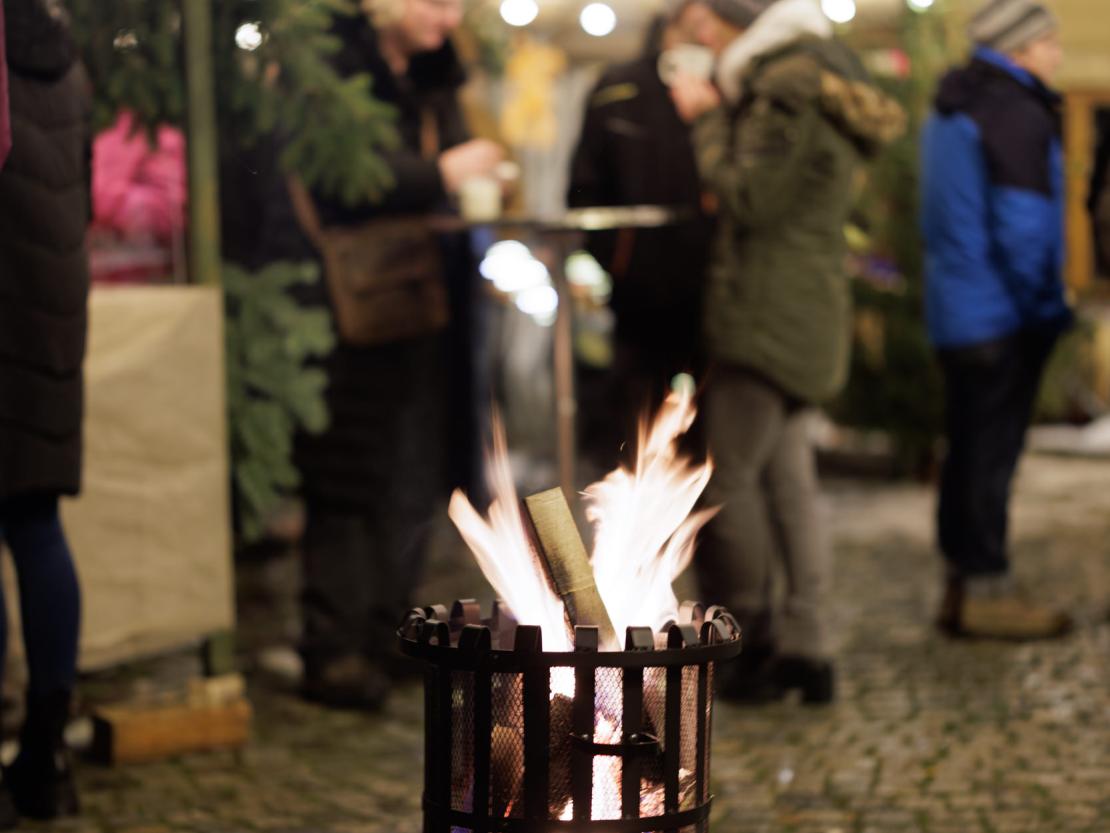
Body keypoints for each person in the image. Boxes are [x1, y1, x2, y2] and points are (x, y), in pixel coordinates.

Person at [243, 0, 504, 710]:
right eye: (434, 2)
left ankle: (389, 635)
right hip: (337, 309)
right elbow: (336, 181)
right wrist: (443, 172)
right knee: (347, 479)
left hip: (420, 305)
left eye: (456, 8)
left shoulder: (431, 73)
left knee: (411, 475)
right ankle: (332, 650)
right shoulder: (320, 64)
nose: (447, 20)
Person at [671, 0, 903, 703]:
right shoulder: (822, 73)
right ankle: (808, 646)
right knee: (788, 476)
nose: (702, 41)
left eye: (707, 27)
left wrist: (705, 119)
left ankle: (750, 640)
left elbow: (750, 197)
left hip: (767, 309)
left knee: (731, 476)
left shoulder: (783, 85)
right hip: (805, 306)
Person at [921, 0, 1073, 640]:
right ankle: (987, 590)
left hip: (958, 309)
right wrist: (1047, 307)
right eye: (1048, 41)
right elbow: (1025, 228)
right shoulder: (1011, 108)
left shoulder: (956, 104)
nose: (1057, 52)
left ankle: (962, 586)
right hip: (1001, 315)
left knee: (967, 453)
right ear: (1020, 48)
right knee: (990, 459)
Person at [0, 0, 89, 822]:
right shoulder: (62, 55)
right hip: (51, 321)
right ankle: (48, 753)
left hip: (3, 311)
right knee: (35, 523)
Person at [567, 6, 714, 461]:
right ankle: (633, 524)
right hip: (639, 296)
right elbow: (583, 190)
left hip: (715, 294)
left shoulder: (729, 89)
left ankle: (699, 530)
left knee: (706, 436)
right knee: (635, 425)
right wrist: (619, 259)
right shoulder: (619, 87)